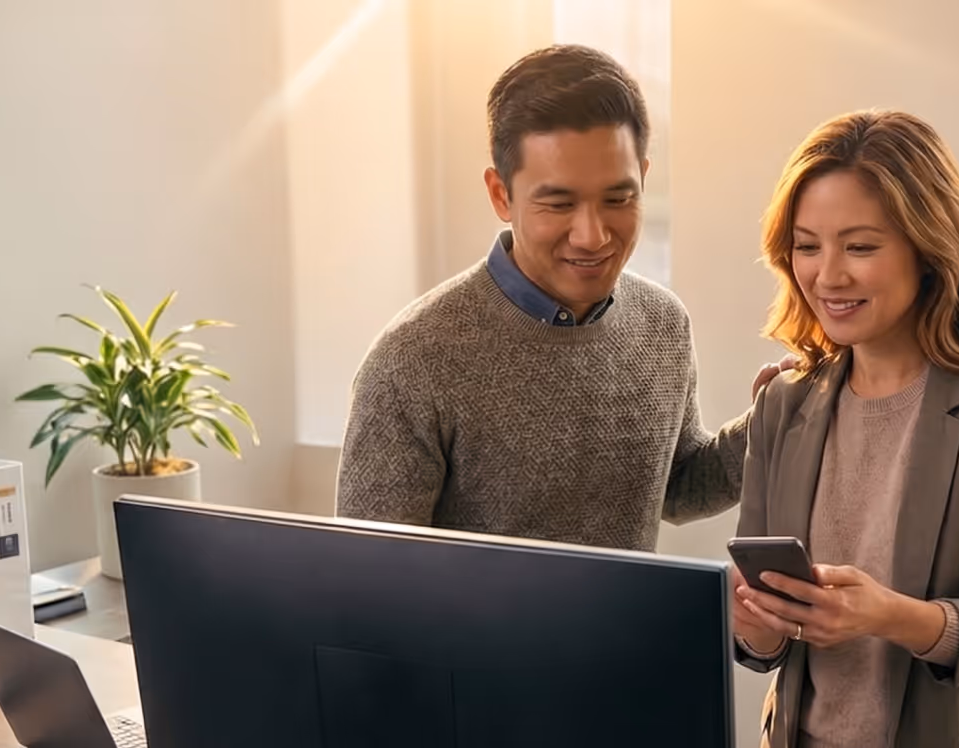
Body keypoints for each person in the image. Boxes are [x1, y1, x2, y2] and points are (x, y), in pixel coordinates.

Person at [335, 44, 787, 552]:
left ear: (643, 176)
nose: (592, 236)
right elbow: (370, 582)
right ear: (501, 195)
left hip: (630, 634)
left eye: (618, 199)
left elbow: (675, 490)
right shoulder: (412, 361)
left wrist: (766, 428)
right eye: (559, 203)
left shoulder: (663, 324)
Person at [729, 110, 959, 748]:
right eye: (807, 246)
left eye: (860, 246)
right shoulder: (782, 404)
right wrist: (753, 623)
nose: (828, 275)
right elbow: (763, 643)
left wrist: (891, 617)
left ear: (928, 248)